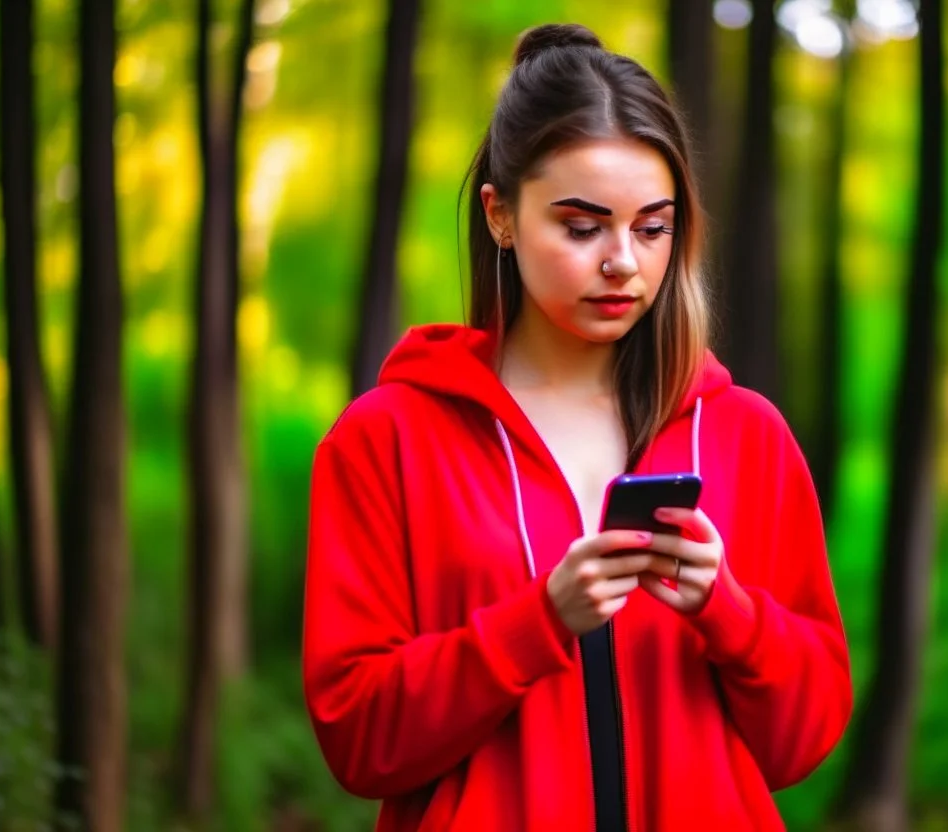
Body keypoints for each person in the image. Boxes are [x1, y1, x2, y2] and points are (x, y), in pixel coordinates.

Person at [302, 22, 851, 832]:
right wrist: (536, 623)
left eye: (652, 227)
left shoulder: (745, 436)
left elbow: (803, 739)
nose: (623, 261)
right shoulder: (388, 440)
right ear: (500, 215)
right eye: (583, 225)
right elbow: (357, 739)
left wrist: (727, 610)